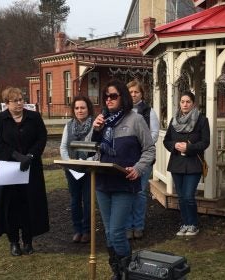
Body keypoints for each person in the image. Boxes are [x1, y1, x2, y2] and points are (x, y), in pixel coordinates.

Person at [92, 79, 155, 279]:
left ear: (123, 97)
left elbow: (149, 149)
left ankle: (127, 272)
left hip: (124, 183)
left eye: (113, 96)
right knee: (109, 233)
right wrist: (95, 131)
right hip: (102, 183)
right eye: (106, 96)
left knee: (117, 232)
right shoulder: (102, 121)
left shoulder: (135, 119)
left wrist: (138, 168)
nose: (108, 100)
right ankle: (118, 272)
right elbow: (88, 150)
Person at [0, 87, 49, 256]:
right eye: (15, 100)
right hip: (9, 169)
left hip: (31, 168)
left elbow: (41, 137)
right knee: (11, 206)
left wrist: (30, 155)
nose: (20, 103)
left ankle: (28, 241)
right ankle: (14, 242)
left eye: (21, 99)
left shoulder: (34, 117)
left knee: (29, 204)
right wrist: (16, 156)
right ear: (7, 103)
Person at [163, 91, 210, 236]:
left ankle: (193, 224)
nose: (185, 104)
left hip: (193, 163)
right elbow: (166, 140)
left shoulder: (201, 120)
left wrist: (189, 147)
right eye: (182, 101)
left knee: (189, 196)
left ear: (193, 104)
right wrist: (175, 145)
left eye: (188, 101)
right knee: (181, 197)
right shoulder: (174, 120)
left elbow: (205, 142)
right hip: (177, 162)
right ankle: (184, 223)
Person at [125, 79, 159, 240]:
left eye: (136, 92)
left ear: (141, 94)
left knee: (139, 193)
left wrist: (141, 148)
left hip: (143, 159)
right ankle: (127, 225)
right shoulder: (122, 111)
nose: (133, 95)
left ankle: (138, 225)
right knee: (125, 193)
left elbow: (154, 134)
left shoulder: (148, 111)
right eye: (130, 92)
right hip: (125, 159)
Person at [60, 96, 94, 244]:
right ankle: (77, 230)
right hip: (72, 170)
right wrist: (70, 163)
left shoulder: (95, 125)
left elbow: (98, 148)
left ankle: (87, 230)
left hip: (89, 169)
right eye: (77, 108)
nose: (80, 110)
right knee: (75, 201)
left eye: (83, 108)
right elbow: (63, 147)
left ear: (88, 109)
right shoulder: (68, 126)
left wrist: (87, 162)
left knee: (88, 201)